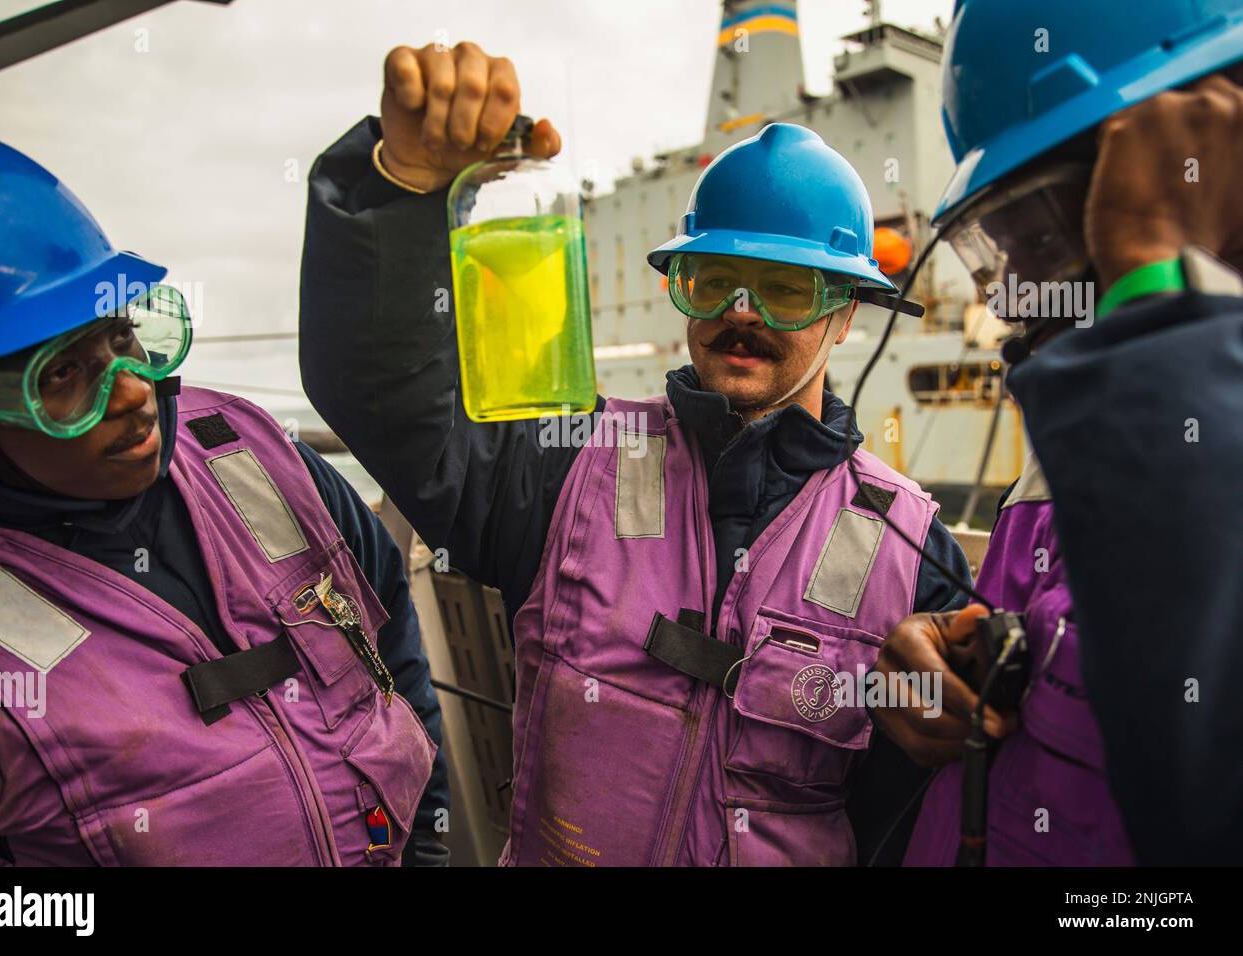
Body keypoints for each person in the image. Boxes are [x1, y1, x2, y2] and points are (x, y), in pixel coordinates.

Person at [299, 40, 971, 866]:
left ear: (845, 315)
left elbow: (917, 824)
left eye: (786, 291)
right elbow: (385, 396)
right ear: (681, 288)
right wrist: (400, 188)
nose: (741, 311)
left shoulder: (913, 554)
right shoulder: (567, 463)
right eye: (712, 280)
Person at [0, 125, 448, 866]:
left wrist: (428, 845)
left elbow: (391, 645)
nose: (134, 393)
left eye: (124, 338)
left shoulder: (253, 453)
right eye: (61, 375)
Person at [871, 0, 1243, 865]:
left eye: (1037, 240)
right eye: (995, 252)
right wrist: (947, 661)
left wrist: (1155, 291)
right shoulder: (1109, 411)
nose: (1007, 300)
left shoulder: (1151, 377)